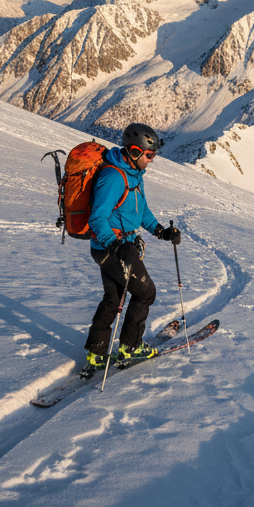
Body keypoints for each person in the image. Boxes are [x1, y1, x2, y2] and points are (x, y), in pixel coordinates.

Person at [82, 122, 181, 371]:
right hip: (111, 248)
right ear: (135, 151)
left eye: (154, 154)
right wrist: (116, 245)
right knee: (146, 293)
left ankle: (96, 353)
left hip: (120, 245)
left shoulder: (134, 174)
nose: (152, 159)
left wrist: (161, 231)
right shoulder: (113, 177)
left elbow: (140, 209)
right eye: (150, 154)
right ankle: (131, 347)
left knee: (113, 298)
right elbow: (97, 218)